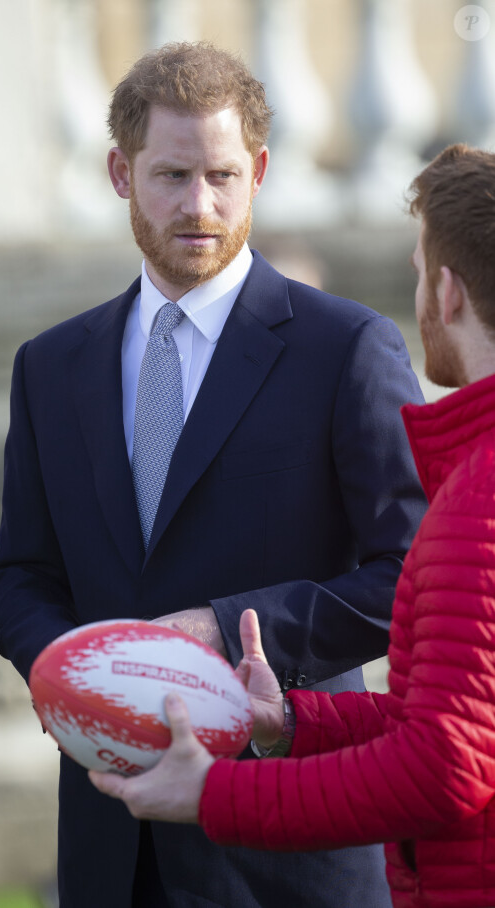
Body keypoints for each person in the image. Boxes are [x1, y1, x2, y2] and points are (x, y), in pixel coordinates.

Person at [0, 41, 427, 908]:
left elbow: (408, 580)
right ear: (119, 171)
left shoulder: (347, 349)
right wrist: (71, 674)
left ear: (259, 171)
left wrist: (222, 631)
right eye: (173, 175)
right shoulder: (49, 365)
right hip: (112, 852)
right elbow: (22, 574)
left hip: (289, 848)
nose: (201, 205)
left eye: (224, 176)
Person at [89, 143, 495, 908]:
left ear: (445, 291)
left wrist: (214, 796)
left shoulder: (477, 505)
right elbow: (457, 721)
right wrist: (291, 723)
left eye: (415, 271)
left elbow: (444, 767)